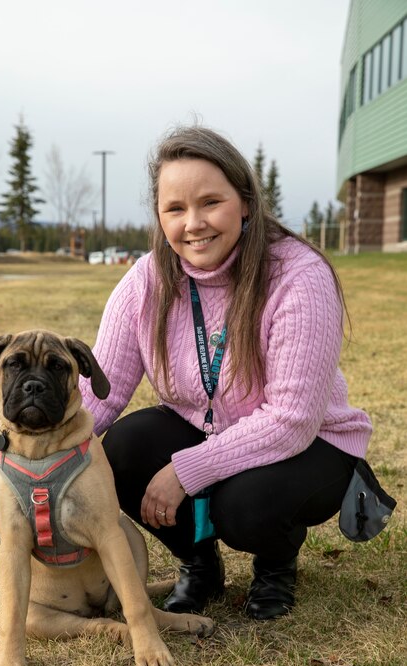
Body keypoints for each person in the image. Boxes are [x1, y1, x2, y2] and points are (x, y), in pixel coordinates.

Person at [78, 125, 373, 621]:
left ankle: (276, 564)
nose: (193, 224)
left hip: (311, 443)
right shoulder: (145, 281)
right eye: (175, 209)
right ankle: (200, 564)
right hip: (209, 429)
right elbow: (100, 394)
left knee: (244, 504)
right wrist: (24, 465)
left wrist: (185, 471)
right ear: (159, 217)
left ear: (246, 203)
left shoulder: (297, 275)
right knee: (123, 450)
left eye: (210, 202)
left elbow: (291, 421)